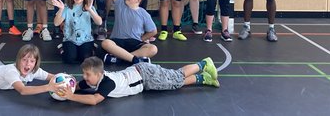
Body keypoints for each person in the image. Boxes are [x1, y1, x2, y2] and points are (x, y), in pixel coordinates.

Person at [60, 56, 219, 105]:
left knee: (176, 78)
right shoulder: (91, 80)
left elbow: (94, 100)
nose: (84, 78)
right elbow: (79, 86)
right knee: (173, 83)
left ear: (98, 73)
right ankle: (203, 78)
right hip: (140, 72)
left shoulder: (107, 83)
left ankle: (204, 64)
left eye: (87, 75)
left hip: (146, 76)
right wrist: (67, 86)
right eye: (84, 74)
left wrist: (71, 96)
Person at [99, 0, 158, 65]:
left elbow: (153, 31)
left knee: (153, 49)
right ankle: (133, 59)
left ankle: (122, 57)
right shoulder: (120, 3)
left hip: (134, 42)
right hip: (117, 41)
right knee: (106, 43)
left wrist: (141, 39)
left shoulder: (143, 13)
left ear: (138, 0)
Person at [52, 0, 102, 64]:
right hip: (70, 39)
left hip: (86, 40)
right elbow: (56, 23)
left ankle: (90, 48)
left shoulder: (89, 7)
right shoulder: (67, 8)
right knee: (70, 59)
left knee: (85, 59)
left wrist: (89, 10)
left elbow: (99, 22)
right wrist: (61, 9)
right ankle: (63, 48)